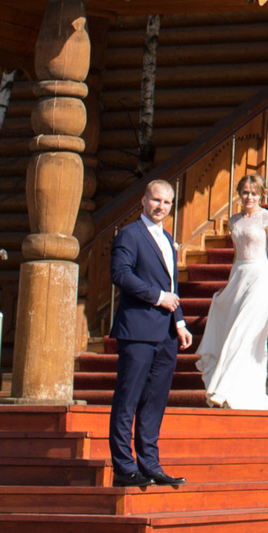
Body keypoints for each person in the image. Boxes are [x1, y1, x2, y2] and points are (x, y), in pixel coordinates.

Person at [109, 179, 192, 488]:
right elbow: (120, 274)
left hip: (166, 334)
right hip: (138, 330)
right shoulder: (130, 235)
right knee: (128, 399)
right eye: (156, 200)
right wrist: (157, 297)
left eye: (167, 202)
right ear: (144, 201)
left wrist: (180, 323)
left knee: (154, 402)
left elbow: (172, 287)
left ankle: (150, 464)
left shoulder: (168, 237)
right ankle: (124, 467)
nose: (161, 206)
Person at [196, 172, 268, 409]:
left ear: (261, 195)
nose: (249, 197)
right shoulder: (234, 221)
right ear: (240, 194)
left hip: (261, 278)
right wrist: (229, 287)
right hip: (239, 277)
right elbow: (235, 256)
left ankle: (227, 389)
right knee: (233, 329)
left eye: (254, 193)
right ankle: (234, 389)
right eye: (245, 192)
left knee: (246, 332)